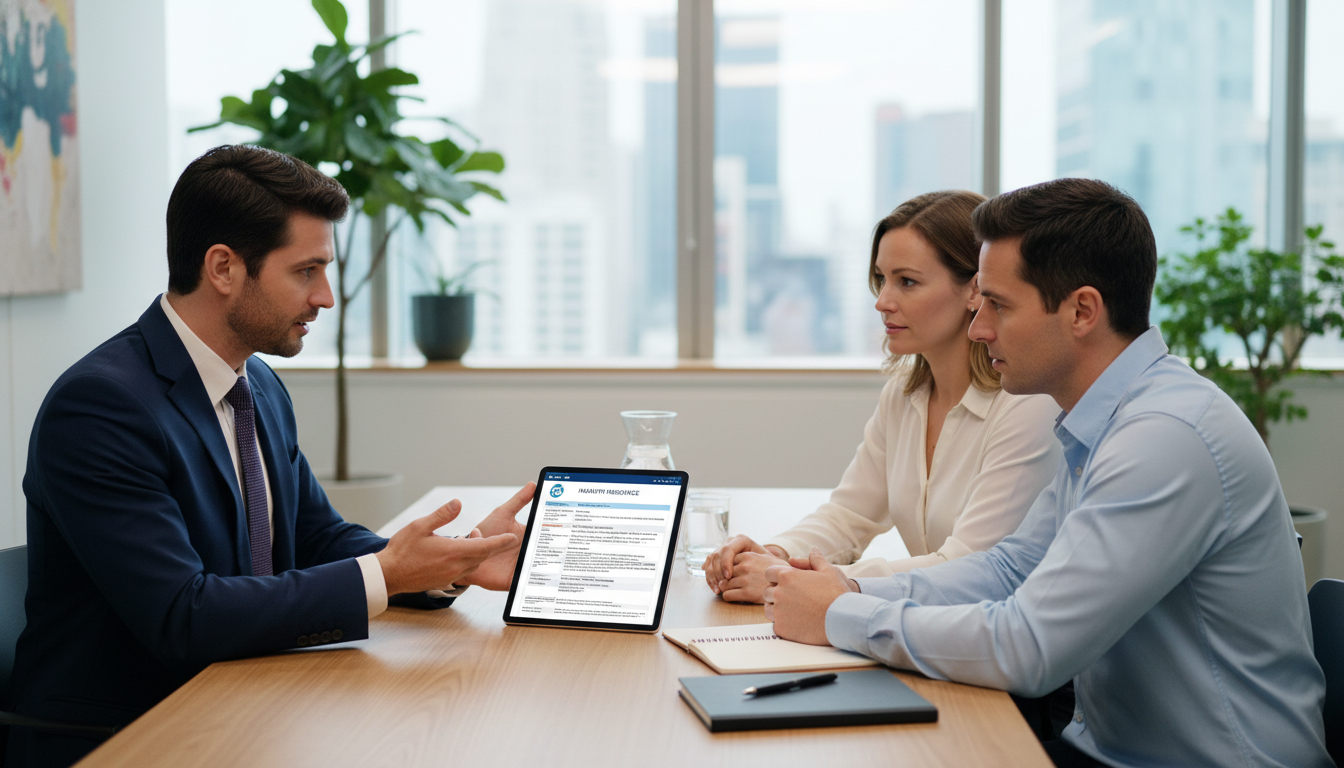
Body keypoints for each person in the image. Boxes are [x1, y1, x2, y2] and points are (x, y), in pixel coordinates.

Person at [762, 178, 1331, 767]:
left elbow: (1029, 647)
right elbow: (1010, 569)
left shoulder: (1165, 437)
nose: (979, 328)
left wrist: (839, 614)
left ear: (1082, 310)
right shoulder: (1105, 421)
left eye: (999, 305)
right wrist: (849, 589)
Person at [6, 145, 534, 768]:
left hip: (249, 704)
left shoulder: (255, 384)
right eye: (306, 271)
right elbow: (183, 616)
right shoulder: (100, 407)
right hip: (130, 736)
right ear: (224, 268)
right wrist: (388, 574)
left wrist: (450, 562)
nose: (327, 297)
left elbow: (316, 537)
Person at [704, 191, 1060, 603]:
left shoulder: (1026, 404)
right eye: (882, 279)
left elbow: (969, 564)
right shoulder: (905, 394)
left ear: (975, 291)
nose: (882, 301)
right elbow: (848, 515)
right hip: (926, 624)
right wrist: (773, 554)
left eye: (907, 282)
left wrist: (799, 580)